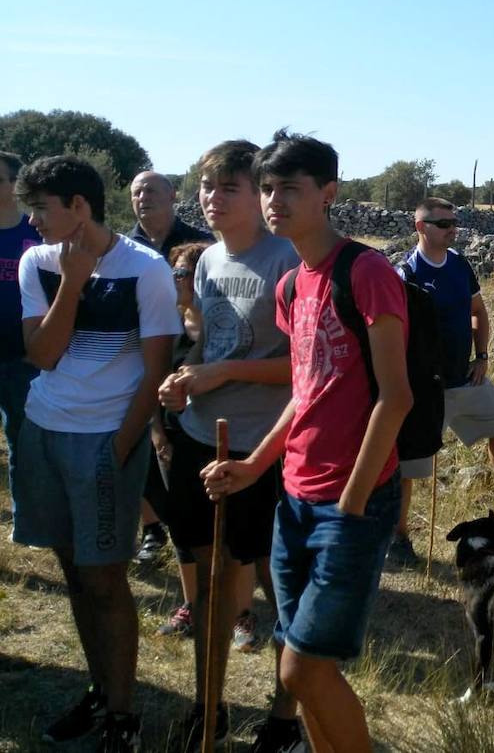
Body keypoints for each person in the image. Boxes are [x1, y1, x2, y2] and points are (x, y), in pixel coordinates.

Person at [202, 131, 410, 753]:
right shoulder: (293, 285)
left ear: (328, 194)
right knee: (304, 660)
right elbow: (306, 389)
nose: (274, 201)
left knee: (301, 669)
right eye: (267, 188)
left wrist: (350, 505)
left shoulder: (366, 272)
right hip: (291, 499)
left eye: (289, 188)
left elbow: (396, 396)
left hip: (352, 502)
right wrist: (253, 465)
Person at [14, 155, 180, 751]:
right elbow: (43, 355)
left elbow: (155, 370)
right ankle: (97, 690)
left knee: (106, 579)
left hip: (106, 439)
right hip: (43, 431)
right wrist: (74, 283)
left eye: (41, 208)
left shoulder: (148, 270)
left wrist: (121, 444)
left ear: (79, 207)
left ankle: (123, 712)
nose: (32, 222)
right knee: (74, 574)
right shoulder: (38, 262)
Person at [156, 141, 304, 752]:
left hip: (261, 448)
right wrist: (186, 377)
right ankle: (208, 704)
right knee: (210, 576)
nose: (211, 200)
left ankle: (283, 714)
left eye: (227, 188)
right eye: (205, 188)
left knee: (275, 584)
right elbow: (212, 344)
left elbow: (306, 369)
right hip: (201, 435)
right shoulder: (209, 262)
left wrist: (221, 374)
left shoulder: (286, 263)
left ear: (258, 194)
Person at [389, 197, 494, 567]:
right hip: (426, 387)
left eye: (453, 222)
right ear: (420, 227)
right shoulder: (406, 273)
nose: (452, 229)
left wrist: (482, 356)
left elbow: (478, 311)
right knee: (411, 464)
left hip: (465, 380)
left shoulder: (460, 265)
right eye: (443, 223)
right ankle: (398, 538)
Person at [128, 170, 212, 569]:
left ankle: (199, 537)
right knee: (141, 448)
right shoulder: (124, 247)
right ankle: (152, 529)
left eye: (152, 190)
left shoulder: (200, 246)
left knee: (181, 451)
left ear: (172, 195)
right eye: (137, 191)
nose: (143, 197)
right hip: (138, 354)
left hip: (189, 354)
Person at [0, 150, 41, 490]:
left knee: (21, 437)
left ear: (15, 185)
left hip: (23, 358)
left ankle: (24, 515)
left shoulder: (36, 231)